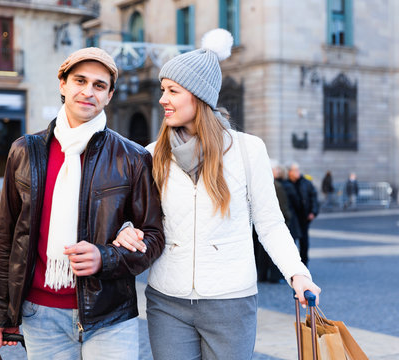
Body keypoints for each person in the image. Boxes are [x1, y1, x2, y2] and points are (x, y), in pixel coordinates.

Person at [114, 29, 321, 360]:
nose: (162, 99)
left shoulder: (247, 149)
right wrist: (126, 229)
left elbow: (269, 222)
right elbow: (135, 216)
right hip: (167, 299)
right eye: (163, 90)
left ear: (197, 96)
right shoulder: (152, 153)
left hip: (231, 301)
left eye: (172, 91)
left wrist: (298, 274)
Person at [0, 47, 165, 359]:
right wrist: (2, 312)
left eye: (99, 85)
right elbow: (7, 238)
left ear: (109, 95)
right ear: (63, 84)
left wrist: (105, 257)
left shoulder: (133, 157)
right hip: (40, 315)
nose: (88, 91)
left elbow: (153, 237)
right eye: (80, 81)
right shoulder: (24, 151)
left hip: (110, 314)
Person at [286, 162, 319, 266]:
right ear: (289, 172)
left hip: (304, 217)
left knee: (304, 242)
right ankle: (293, 265)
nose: (298, 172)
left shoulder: (306, 183)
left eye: (298, 170)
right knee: (292, 243)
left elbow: (313, 197)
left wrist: (313, 212)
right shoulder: (287, 183)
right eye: (295, 170)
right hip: (292, 218)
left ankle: (304, 264)